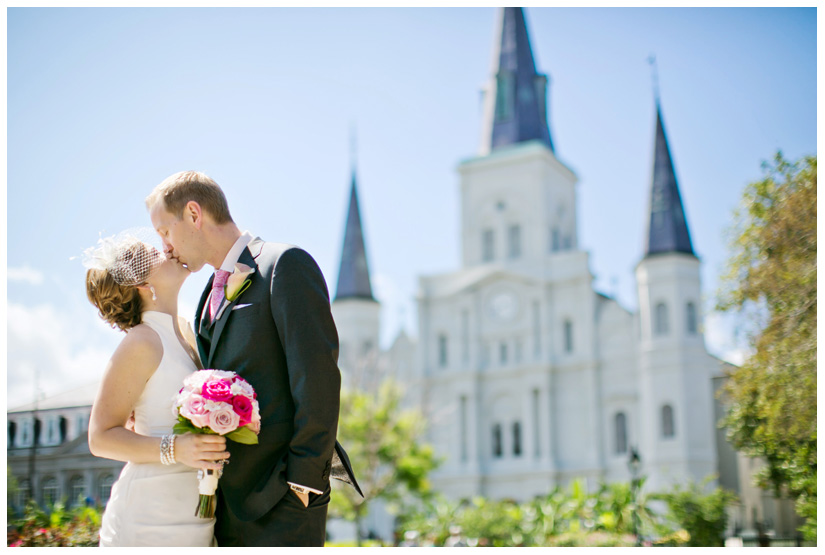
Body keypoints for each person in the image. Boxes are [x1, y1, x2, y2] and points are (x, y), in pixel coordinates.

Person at [146, 171, 361, 547]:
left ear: (194, 215)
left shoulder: (285, 264)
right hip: (227, 505)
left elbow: (317, 378)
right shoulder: (203, 300)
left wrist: (304, 481)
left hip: (284, 500)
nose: (164, 246)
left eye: (165, 231)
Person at [84, 231, 230, 547]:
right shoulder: (142, 342)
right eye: (156, 253)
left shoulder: (188, 334)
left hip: (197, 518)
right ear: (142, 286)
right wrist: (176, 449)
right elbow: (100, 436)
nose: (169, 248)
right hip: (149, 519)